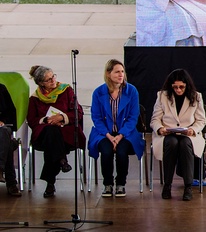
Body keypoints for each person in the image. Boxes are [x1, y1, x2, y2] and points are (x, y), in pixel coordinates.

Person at [26, 65, 85, 198]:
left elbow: (78, 112)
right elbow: (32, 120)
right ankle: (62, 160)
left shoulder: (66, 90)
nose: (53, 81)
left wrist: (61, 117)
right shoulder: (35, 98)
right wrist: (46, 120)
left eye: (53, 76)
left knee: (51, 144)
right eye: (48, 80)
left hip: (66, 133)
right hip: (44, 134)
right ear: (41, 83)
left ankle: (50, 182)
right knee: (51, 132)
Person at [88, 59, 143, 198]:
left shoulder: (131, 91)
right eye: (117, 72)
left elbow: (133, 117)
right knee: (106, 151)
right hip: (104, 133)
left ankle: (120, 184)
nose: (121, 75)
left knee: (121, 151)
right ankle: (107, 184)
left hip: (126, 133)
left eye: (122, 72)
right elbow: (96, 118)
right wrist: (108, 135)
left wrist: (120, 135)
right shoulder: (98, 92)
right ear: (108, 74)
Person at [150, 69, 206, 201]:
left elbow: (201, 120)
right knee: (172, 143)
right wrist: (160, 129)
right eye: (175, 87)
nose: (178, 90)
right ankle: (167, 185)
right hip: (168, 134)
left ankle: (188, 186)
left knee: (185, 144)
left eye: (181, 87)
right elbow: (155, 119)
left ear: (187, 85)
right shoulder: (162, 96)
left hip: (189, 134)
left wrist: (193, 129)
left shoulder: (196, 96)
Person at [0, 83, 21, 197]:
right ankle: (11, 182)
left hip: (1, 131)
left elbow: (11, 114)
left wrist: (2, 120)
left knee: (4, 132)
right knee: (7, 143)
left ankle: (0, 169)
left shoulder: (1, 89)